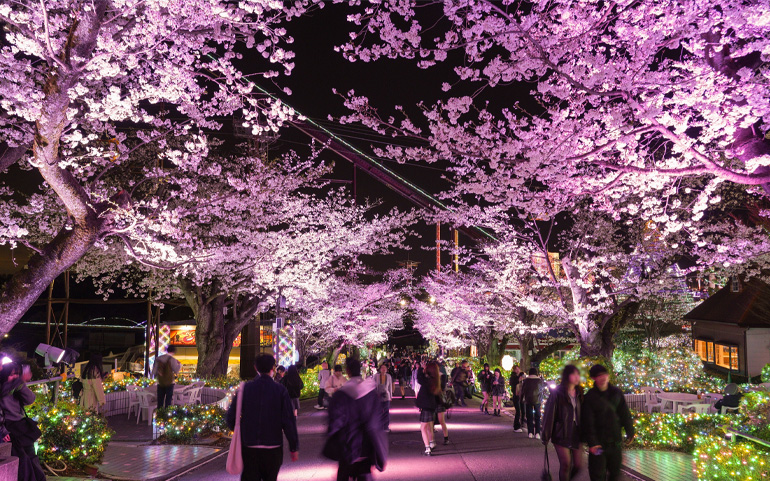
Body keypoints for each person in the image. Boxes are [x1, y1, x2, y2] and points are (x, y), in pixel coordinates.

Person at [226, 355, 299, 481]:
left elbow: (231, 417)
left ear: (256, 368)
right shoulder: (280, 390)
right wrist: (293, 446)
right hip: (273, 446)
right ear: (273, 368)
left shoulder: (245, 390)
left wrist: (243, 431)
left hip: (249, 446)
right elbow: (288, 421)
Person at [325, 358, 388, 481]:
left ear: (347, 371)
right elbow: (377, 421)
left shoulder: (341, 394)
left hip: (347, 448)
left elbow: (334, 423)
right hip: (367, 448)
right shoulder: (371, 392)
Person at [582, 364, 634, 481]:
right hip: (599, 444)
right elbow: (588, 422)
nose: (603, 378)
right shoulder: (590, 397)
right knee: (597, 474)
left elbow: (624, 413)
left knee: (615, 474)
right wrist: (592, 442)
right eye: (599, 376)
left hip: (615, 442)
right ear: (594, 378)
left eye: (604, 374)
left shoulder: (616, 393)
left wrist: (630, 430)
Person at [0, 362, 45, 481]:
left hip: (21, 426)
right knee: (22, 460)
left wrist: (20, 385)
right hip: (9, 428)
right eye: (12, 374)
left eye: (17, 374)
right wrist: (3, 431)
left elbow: (30, 399)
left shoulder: (16, 387)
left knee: (31, 457)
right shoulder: (3, 388)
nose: (15, 377)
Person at [542, 365, 584, 481]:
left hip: (577, 432)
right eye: (574, 374)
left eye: (578, 374)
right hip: (561, 432)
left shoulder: (580, 392)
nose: (577, 377)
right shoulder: (558, 393)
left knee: (578, 465)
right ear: (567, 376)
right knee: (566, 464)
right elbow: (549, 414)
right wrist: (546, 435)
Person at [416, 361, 443, 456]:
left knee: (423, 428)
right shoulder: (436, 380)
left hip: (426, 406)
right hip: (432, 406)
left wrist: (421, 369)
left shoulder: (428, 380)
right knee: (429, 426)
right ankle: (432, 442)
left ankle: (427, 448)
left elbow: (419, 378)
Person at [521, 367, 545, 439]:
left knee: (529, 416)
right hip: (537, 400)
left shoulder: (526, 381)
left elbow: (523, 390)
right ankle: (537, 433)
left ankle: (530, 432)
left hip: (528, 400)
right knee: (537, 416)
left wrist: (522, 399)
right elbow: (542, 389)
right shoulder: (540, 380)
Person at [374, 364, 393, 432]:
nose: (383, 369)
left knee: (386, 411)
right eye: (382, 368)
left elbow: (390, 386)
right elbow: (373, 385)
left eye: (385, 368)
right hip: (378, 395)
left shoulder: (388, 376)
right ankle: (379, 426)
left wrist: (390, 396)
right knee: (378, 412)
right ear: (380, 369)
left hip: (386, 395)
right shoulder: (376, 376)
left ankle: (385, 427)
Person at [436, 362, 450, 445]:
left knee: (441, 420)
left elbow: (442, 387)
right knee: (431, 421)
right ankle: (431, 441)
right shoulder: (430, 376)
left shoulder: (442, 376)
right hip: (432, 400)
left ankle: (446, 437)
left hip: (440, 399)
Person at [509, 365, 525, 432]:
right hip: (516, 396)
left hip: (521, 395)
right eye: (516, 369)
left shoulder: (522, 376)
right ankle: (516, 426)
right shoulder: (513, 377)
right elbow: (513, 384)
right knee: (518, 411)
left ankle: (521, 424)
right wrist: (519, 378)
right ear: (513, 370)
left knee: (523, 411)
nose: (517, 370)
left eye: (518, 369)